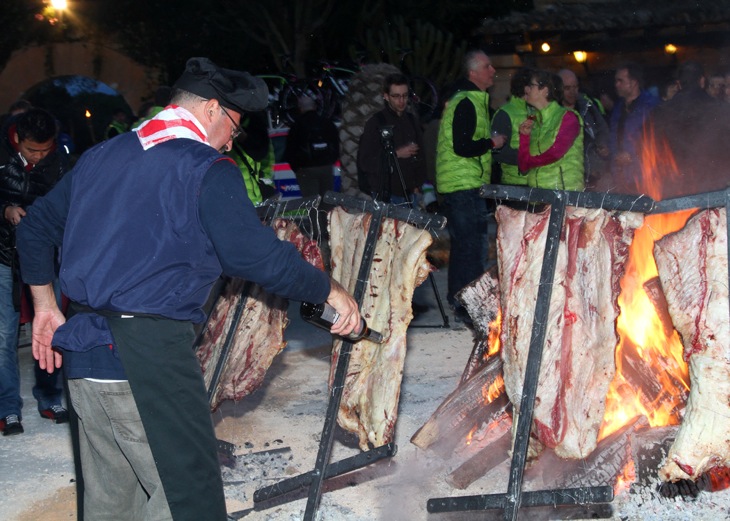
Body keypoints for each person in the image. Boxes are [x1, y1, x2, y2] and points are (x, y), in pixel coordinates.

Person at [16, 57, 360, 521]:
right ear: (214, 110)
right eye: (234, 129)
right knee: (189, 501)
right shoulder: (204, 168)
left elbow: (34, 228)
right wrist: (328, 290)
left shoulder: (101, 157)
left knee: (113, 507)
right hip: (149, 361)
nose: (231, 142)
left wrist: (44, 307)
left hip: (84, 359)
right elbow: (254, 256)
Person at [0, 107, 68, 436]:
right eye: (31, 150)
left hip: (43, 255)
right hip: (2, 253)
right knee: (4, 334)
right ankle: (7, 407)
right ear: (17, 139)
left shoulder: (61, 158)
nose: (39, 157)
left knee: (50, 322)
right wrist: (5, 210)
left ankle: (50, 395)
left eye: (45, 150)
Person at [435, 50, 506, 323]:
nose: (493, 71)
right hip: (463, 185)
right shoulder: (466, 101)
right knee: (471, 247)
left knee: (466, 246)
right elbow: (463, 146)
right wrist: (493, 143)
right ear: (473, 73)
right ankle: (469, 306)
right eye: (487, 66)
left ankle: (462, 303)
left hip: (463, 184)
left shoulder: (467, 100)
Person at [648, 61, 730, 198]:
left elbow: (647, 149)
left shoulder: (660, 112)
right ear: (702, 81)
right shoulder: (721, 109)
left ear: (678, 84)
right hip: (714, 188)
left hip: (674, 187)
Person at [357, 73, 426, 203]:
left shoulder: (412, 120)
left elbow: (421, 155)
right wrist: (396, 154)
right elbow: (365, 162)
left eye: (405, 96)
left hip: (411, 194)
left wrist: (418, 185)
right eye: (396, 96)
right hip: (386, 195)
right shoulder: (376, 122)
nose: (401, 101)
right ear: (386, 96)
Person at [517, 70, 584, 191]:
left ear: (545, 90)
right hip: (538, 196)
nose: (526, 89)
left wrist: (530, 162)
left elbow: (555, 153)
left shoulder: (568, 117)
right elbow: (523, 166)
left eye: (531, 85)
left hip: (564, 197)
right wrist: (524, 137)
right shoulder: (534, 122)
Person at [608, 62, 659, 193]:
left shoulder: (651, 107)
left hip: (643, 177)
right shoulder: (618, 108)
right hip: (620, 178)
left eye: (620, 81)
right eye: (616, 81)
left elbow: (657, 142)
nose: (616, 85)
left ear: (634, 82)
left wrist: (633, 156)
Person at [557, 68, 610, 189]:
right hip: (567, 181)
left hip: (595, 179)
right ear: (558, 89)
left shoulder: (588, 106)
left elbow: (603, 130)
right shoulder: (553, 114)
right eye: (567, 88)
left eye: (575, 87)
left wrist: (603, 145)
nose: (573, 92)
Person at [285, 95, 340, 198]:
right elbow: (336, 143)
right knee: (327, 201)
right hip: (326, 166)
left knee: (311, 203)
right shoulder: (327, 123)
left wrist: (297, 167)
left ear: (300, 108)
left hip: (306, 169)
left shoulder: (297, 126)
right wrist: (331, 161)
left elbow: (290, 150)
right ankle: (327, 214)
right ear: (315, 106)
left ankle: (316, 215)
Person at [491, 67, 534, 186]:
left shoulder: (538, 112)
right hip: (515, 185)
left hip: (539, 184)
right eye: (537, 86)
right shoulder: (504, 114)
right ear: (527, 88)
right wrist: (528, 158)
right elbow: (498, 152)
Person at [228, 110, 276, 205]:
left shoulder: (255, 126)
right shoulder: (255, 125)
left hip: (250, 194)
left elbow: (262, 156)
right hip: (248, 195)